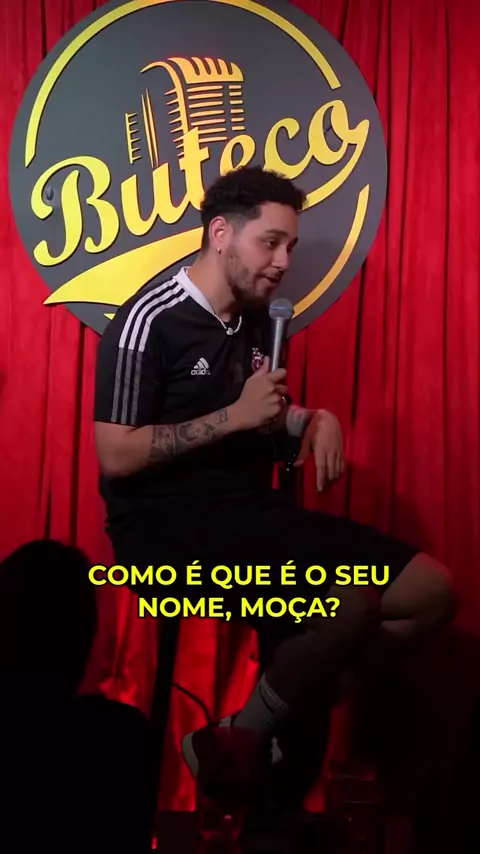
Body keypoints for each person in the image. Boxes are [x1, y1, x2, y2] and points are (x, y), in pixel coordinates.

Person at [93, 165, 456, 810]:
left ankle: (244, 732)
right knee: (348, 604)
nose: (284, 262)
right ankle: (260, 743)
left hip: (251, 513)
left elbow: (261, 419)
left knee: (434, 591)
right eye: (271, 243)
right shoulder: (150, 319)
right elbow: (116, 453)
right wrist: (235, 418)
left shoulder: (261, 320)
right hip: (165, 531)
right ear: (220, 234)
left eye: (289, 246)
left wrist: (309, 420)